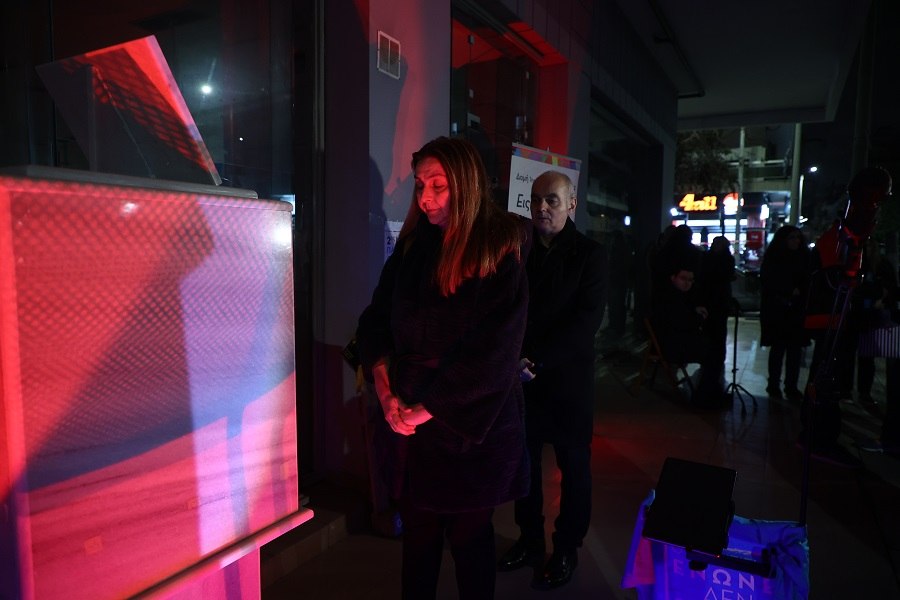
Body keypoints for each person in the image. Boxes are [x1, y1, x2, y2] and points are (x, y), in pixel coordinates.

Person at [356, 136, 530, 599]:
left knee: (470, 541)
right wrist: (384, 388)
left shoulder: (499, 247)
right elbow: (375, 320)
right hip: (409, 419)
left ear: (466, 184)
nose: (426, 198)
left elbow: (495, 351)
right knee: (418, 539)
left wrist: (427, 408)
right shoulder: (414, 247)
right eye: (420, 185)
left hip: (470, 424)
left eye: (438, 185)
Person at [495, 171, 606, 591]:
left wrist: (536, 358)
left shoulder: (590, 254)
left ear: (571, 203)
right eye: (536, 199)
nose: (542, 207)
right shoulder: (519, 249)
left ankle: (566, 549)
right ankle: (529, 540)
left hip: (567, 382)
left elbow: (585, 323)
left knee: (574, 469)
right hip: (523, 379)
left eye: (552, 200)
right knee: (523, 465)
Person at [800, 166, 893, 468]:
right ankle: (818, 438)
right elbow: (834, 282)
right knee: (825, 378)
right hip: (831, 322)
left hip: (838, 322)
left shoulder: (848, 238)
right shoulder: (837, 239)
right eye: (874, 203)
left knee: (830, 379)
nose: (876, 213)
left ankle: (818, 435)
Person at [651, 263, 728, 407]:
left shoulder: (676, 294)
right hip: (671, 346)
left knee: (713, 350)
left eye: (690, 280)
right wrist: (698, 318)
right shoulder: (669, 297)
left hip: (675, 341)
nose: (687, 283)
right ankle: (704, 398)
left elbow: (682, 318)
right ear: (673, 277)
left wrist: (694, 313)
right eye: (683, 278)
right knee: (713, 354)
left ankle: (708, 394)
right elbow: (680, 322)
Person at [760, 225, 811, 401]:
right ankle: (775, 384)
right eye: (792, 238)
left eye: (797, 238)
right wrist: (788, 290)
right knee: (779, 349)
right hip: (779, 310)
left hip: (796, 310)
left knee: (794, 351)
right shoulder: (775, 259)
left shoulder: (803, 258)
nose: (796, 241)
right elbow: (768, 282)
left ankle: (790, 385)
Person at [696, 235, 735, 391]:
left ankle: (711, 357)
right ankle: (714, 357)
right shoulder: (726, 260)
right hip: (718, 300)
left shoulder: (707, 258)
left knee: (712, 331)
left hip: (712, 300)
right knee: (716, 331)